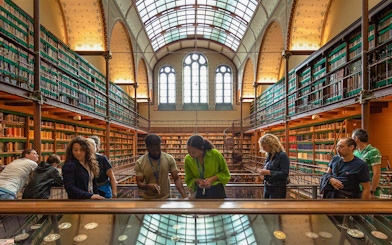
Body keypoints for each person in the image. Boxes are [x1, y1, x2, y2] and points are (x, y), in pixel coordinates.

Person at [135, 134, 187, 199]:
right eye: (153, 150)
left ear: (160, 145)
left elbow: (176, 178)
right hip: (148, 199)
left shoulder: (169, 158)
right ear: (147, 147)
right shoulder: (140, 162)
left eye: (158, 149)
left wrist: (184, 196)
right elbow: (139, 183)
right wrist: (148, 186)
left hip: (166, 198)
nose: (156, 152)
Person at [184, 135, 230, 199]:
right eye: (188, 152)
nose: (191, 155)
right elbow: (188, 178)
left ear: (201, 149)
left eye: (193, 152)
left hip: (216, 190)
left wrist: (212, 179)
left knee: (217, 209)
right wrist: (197, 181)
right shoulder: (188, 159)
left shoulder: (215, 154)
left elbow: (225, 173)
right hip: (199, 190)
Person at [256, 134, 290, 199]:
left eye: (265, 147)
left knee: (273, 208)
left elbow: (284, 173)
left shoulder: (282, 156)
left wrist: (268, 172)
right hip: (267, 187)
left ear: (271, 145)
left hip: (277, 189)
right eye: (262, 147)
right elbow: (268, 168)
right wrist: (262, 173)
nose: (263, 149)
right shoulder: (269, 156)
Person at [352, 129, 382, 197]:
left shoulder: (373, 151)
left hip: (369, 188)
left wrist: (372, 190)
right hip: (358, 188)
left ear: (356, 138)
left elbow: (376, 173)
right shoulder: (355, 152)